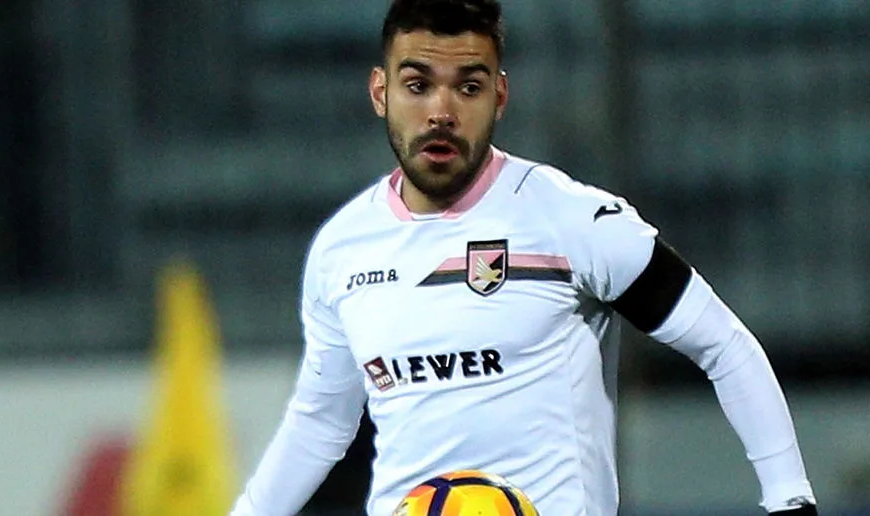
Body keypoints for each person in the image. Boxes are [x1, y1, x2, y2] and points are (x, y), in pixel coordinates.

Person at [231, 1, 818, 514]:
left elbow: (724, 345)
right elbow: (321, 423)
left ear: (500, 95)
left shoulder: (573, 222)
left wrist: (789, 497)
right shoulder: (343, 248)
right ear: (380, 92)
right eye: (418, 85)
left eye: (468, 86)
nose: (442, 111)